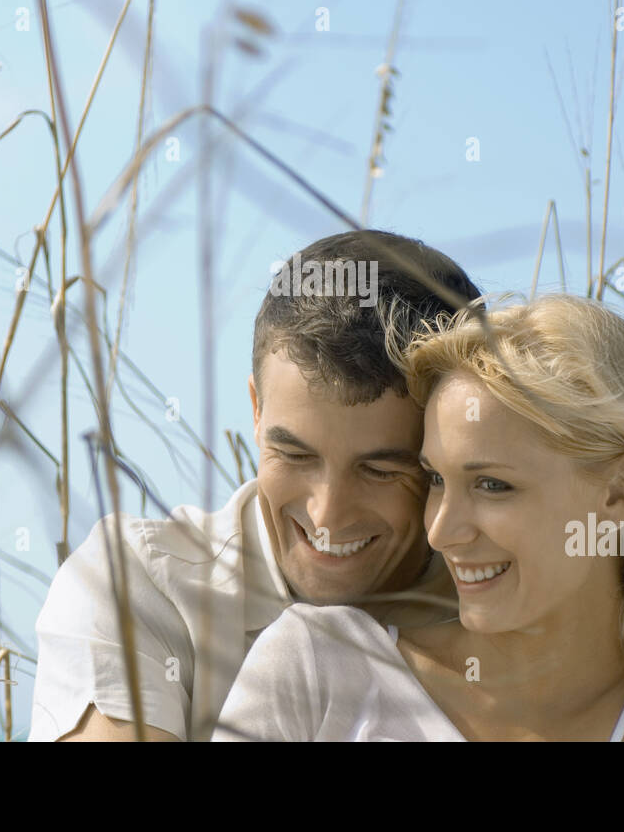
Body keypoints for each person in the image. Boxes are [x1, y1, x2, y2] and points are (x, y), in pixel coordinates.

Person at [214, 294, 624, 741]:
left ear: (621, 495)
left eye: (492, 485)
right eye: (438, 480)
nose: (442, 529)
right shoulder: (319, 664)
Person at [28, 229, 481, 741]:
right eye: (294, 454)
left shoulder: (506, 601)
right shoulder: (136, 585)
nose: (328, 515)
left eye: (380, 470)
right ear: (256, 412)